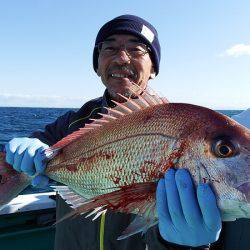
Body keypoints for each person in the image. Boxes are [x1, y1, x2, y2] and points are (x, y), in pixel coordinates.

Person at [5, 15, 249, 250]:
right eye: (109, 49)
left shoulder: (178, 122)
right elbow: (19, 166)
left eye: (136, 49)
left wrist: (182, 246)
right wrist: (24, 159)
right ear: (97, 64)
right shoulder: (71, 122)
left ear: (153, 67)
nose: (122, 58)